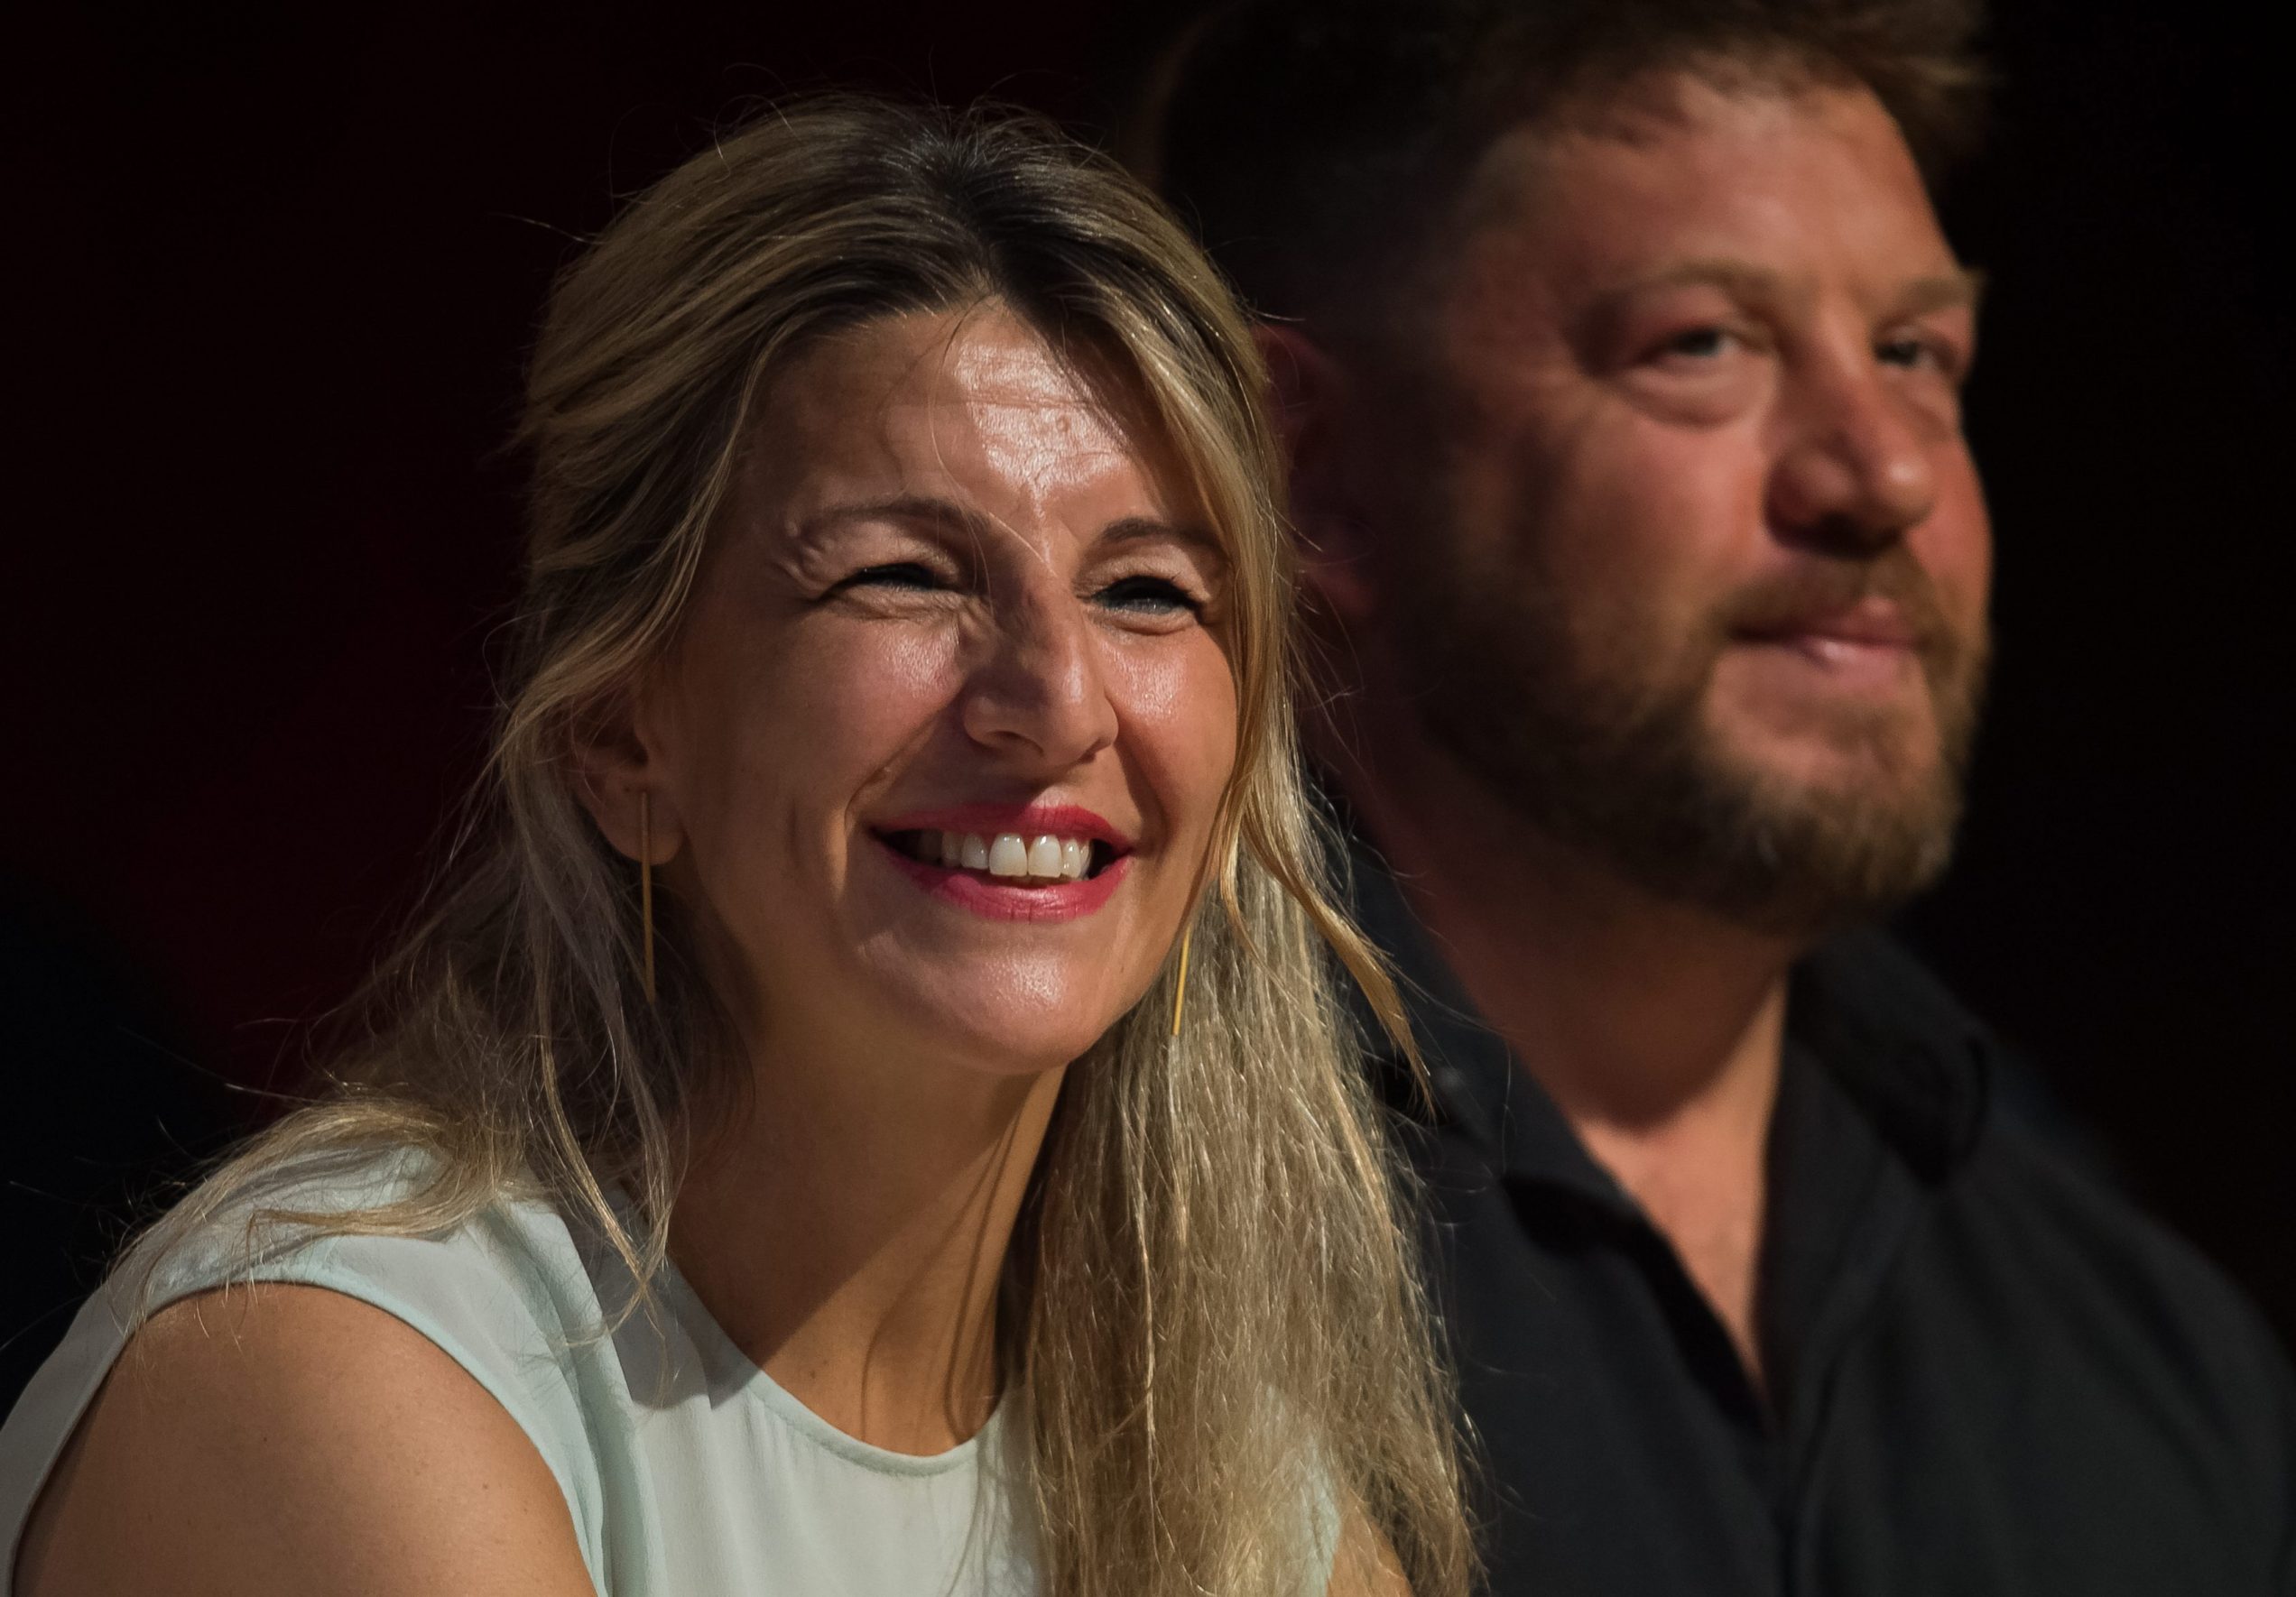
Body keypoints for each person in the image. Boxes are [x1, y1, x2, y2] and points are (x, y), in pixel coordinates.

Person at [0, 96, 1472, 1597]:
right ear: (625, 736)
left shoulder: (1229, 1477)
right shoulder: (343, 1373)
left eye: (1149, 590)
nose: (1055, 700)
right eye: (904, 574)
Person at [1143, 2, 2296, 1592]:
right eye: (1704, 345)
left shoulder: (2155, 1367)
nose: (1881, 472)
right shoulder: (1070, 1245)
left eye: (1916, 354)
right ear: (1312, 475)